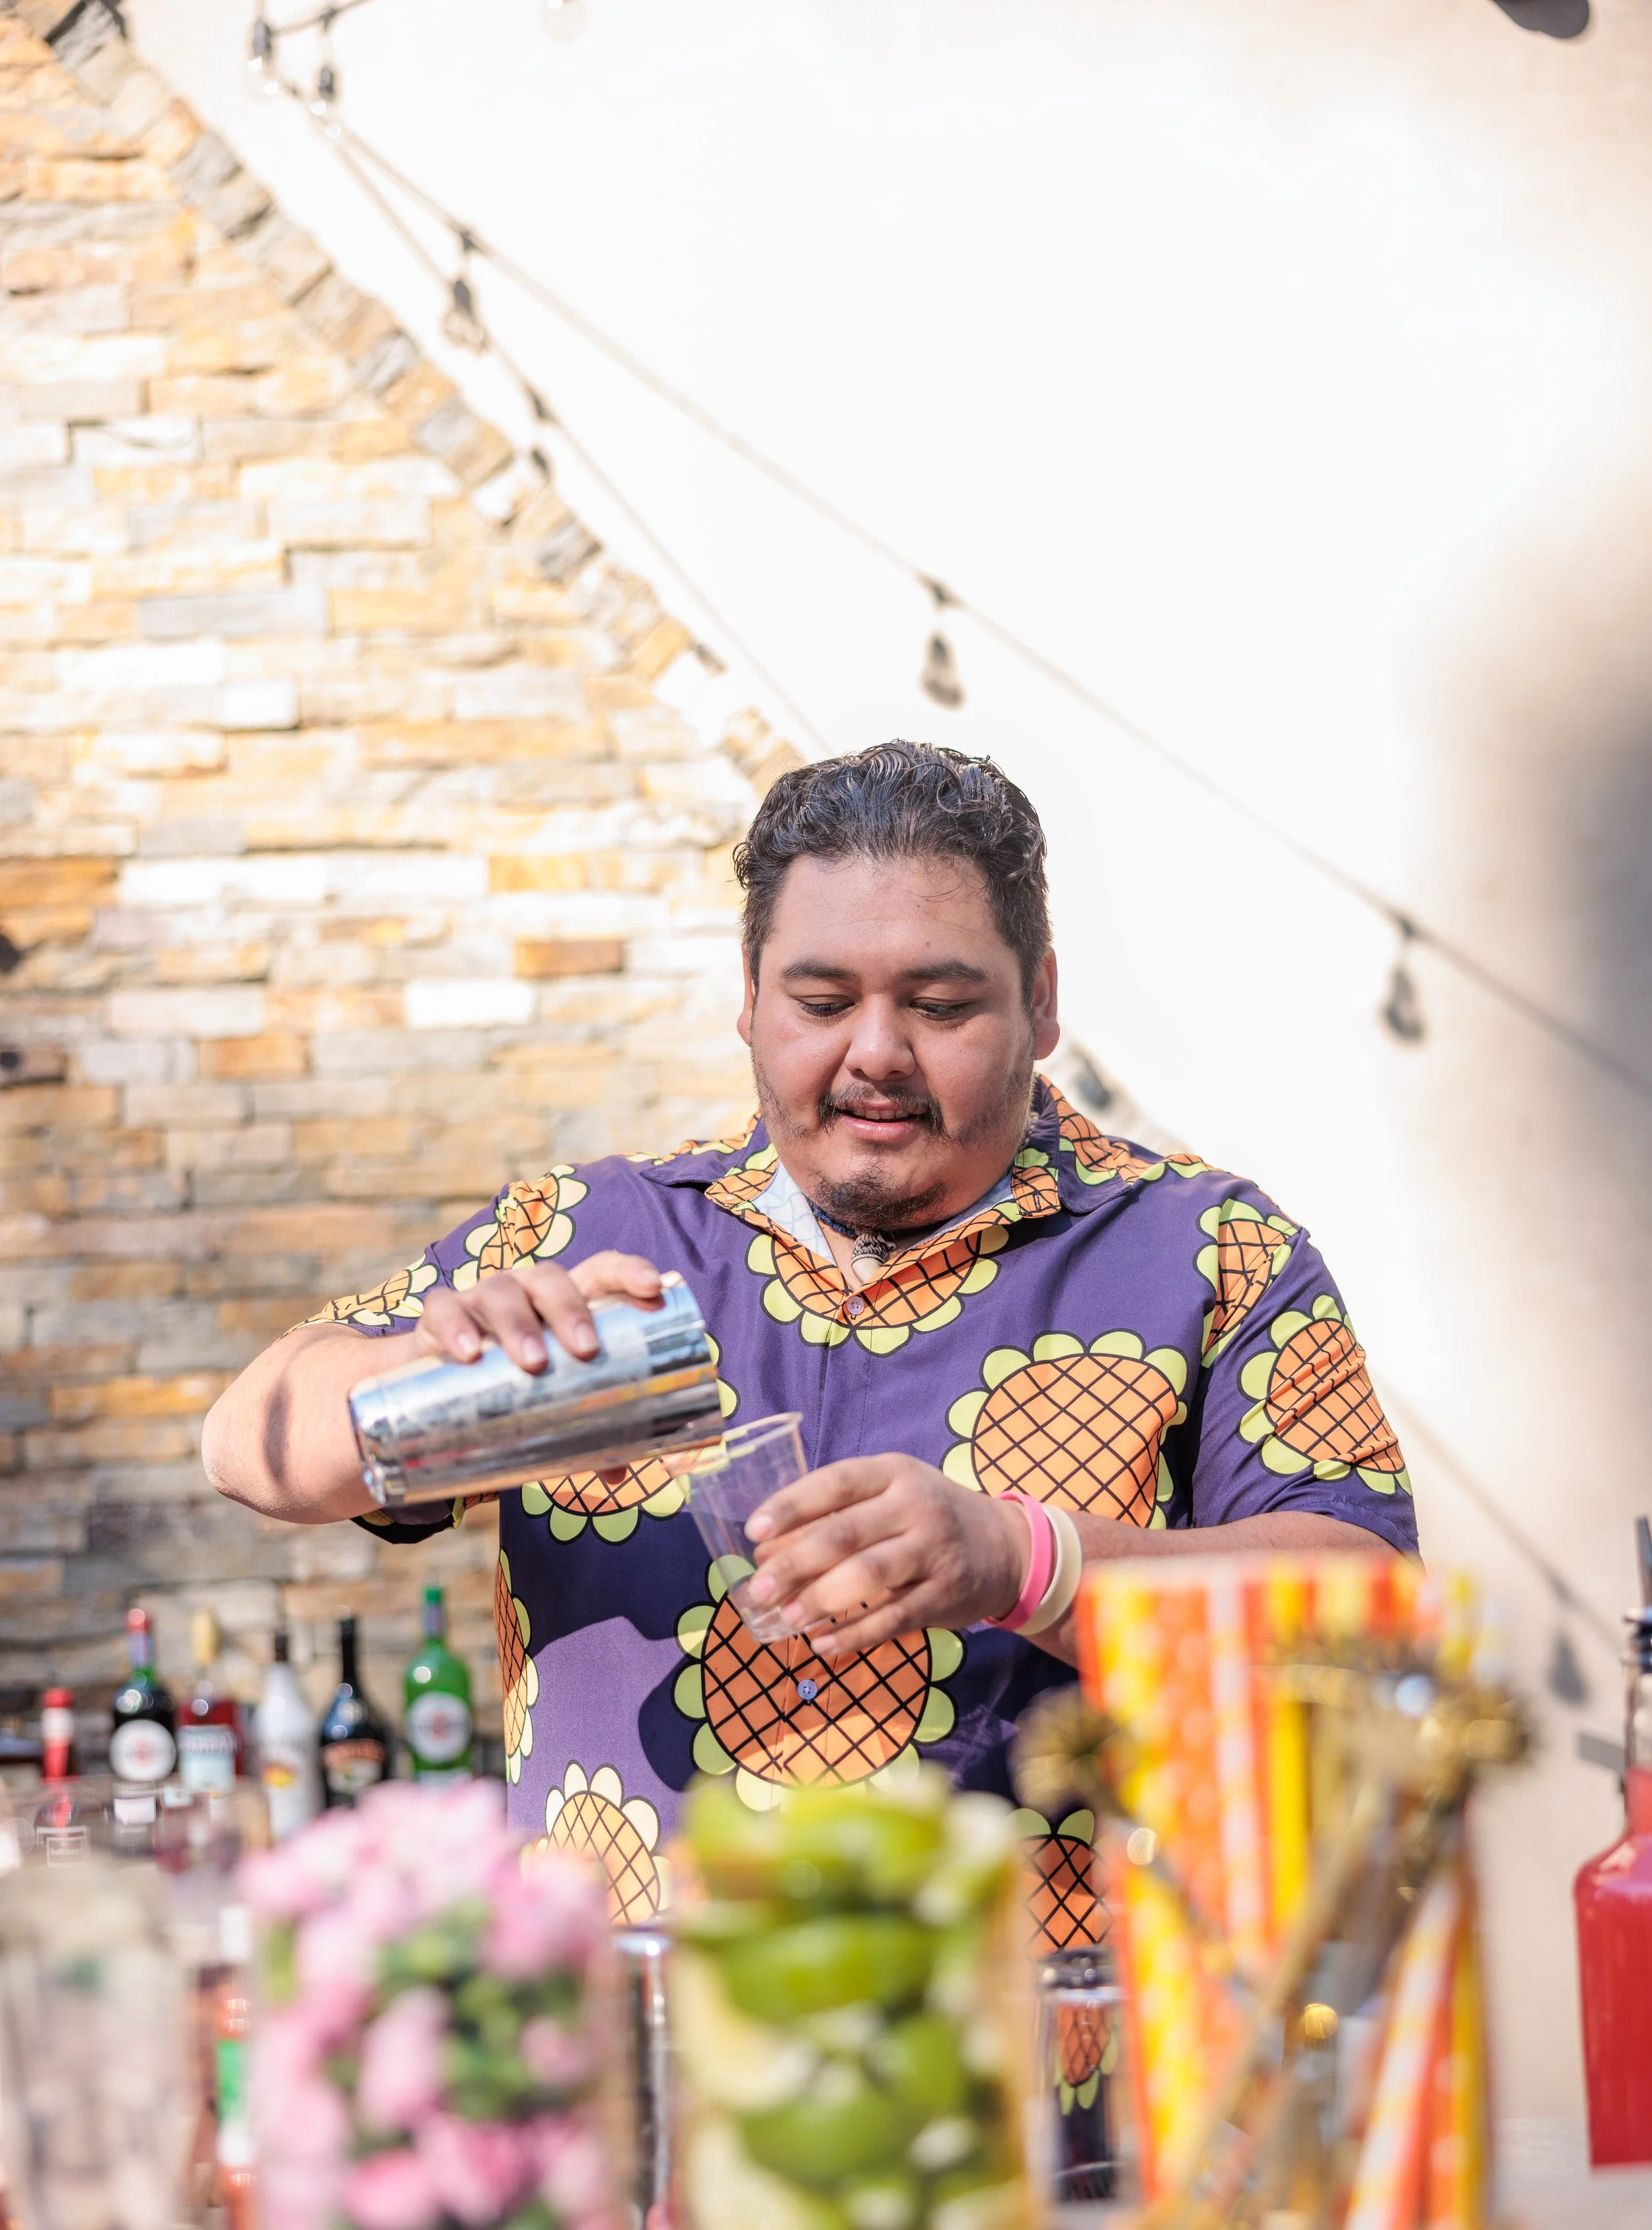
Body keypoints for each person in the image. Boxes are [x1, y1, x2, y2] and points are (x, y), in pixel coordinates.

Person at [203, 741, 1415, 1922]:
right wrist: (432, 1371)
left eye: (941, 1004)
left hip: (1047, 2079)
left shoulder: (1205, 1251)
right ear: (748, 1001)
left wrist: (1022, 1562)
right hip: (638, 2073)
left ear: (1042, 1002)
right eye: (822, 1001)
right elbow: (250, 1448)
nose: (876, 1054)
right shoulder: (586, 1228)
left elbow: (1370, 1614)